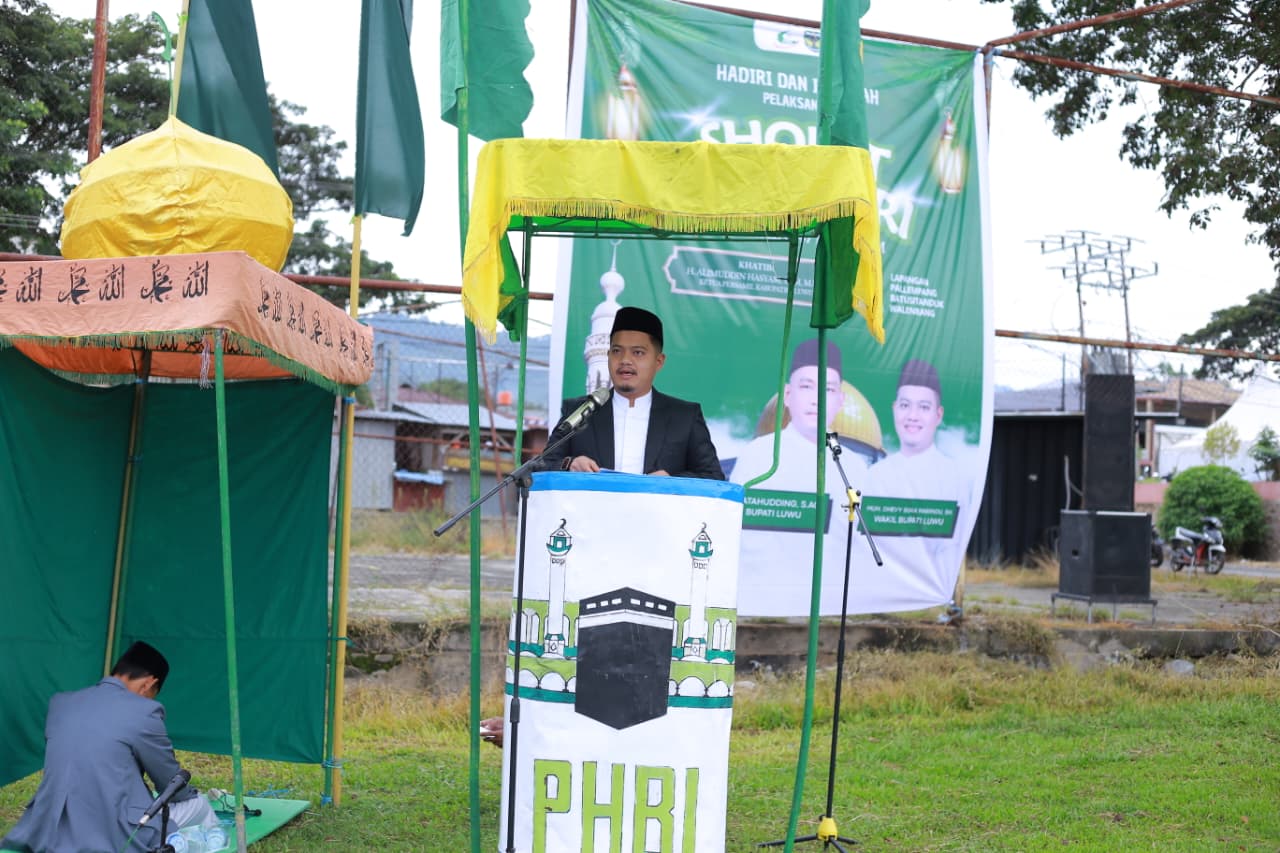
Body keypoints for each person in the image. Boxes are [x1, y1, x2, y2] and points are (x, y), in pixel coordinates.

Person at [2, 642, 224, 853]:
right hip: (114, 833)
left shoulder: (61, 703)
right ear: (148, 684)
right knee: (199, 806)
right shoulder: (144, 711)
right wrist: (189, 794)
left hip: (48, 828)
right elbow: (171, 785)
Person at [540, 306, 723, 479]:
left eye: (638, 353)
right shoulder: (581, 411)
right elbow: (541, 465)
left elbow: (713, 477)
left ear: (659, 361)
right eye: (616, 351)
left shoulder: (685, 417)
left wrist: (672, 482)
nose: (625, 360)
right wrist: (569, 464)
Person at [862, 358, 970, 574]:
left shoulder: (954, 476)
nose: (912, 416)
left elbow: (953, 547)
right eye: (905, 405)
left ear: (938, 415)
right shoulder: (875, 475)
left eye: (924, 407)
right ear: (894, 409)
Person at [730, 338, 868, 498]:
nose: (817, 400)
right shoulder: (758, 454)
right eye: (807, 387)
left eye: (828, 389)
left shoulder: (854, 466)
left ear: (840, 400)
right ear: (787, 395)